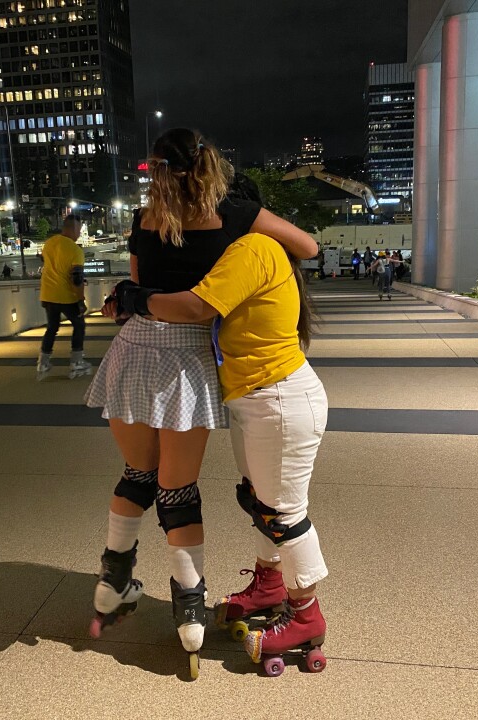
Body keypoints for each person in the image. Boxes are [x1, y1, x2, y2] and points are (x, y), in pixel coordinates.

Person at [82, 128, 319, 677]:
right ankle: (189, 607)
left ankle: (112, 580)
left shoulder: (144, 219)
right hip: (188, 364)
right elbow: (308, 246)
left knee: (137, 474)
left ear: (156, 171)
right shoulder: (235, 213)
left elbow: (142, 294)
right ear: (208, 162)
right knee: (177, 488)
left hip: (132, 354)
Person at [112, 230, 330, 677]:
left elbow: (196, 306)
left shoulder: (253, 248)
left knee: (284, 514)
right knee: (259, 502)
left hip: (280, 401)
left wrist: (135, 298)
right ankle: (269, 585)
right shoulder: (245, 250)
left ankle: (306, 613)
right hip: (256, 400)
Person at [37, 215, 90, 380]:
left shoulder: (49, 243)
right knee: (79, 325)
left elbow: (55, 267)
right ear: (73, 229)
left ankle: (43, 363)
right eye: (79, 230)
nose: (79, 234)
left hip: (47, 294)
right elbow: (76, 278)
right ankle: (76, 362)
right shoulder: (75, 250)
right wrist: (80, 300)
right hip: (66, 296)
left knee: (52, 328)